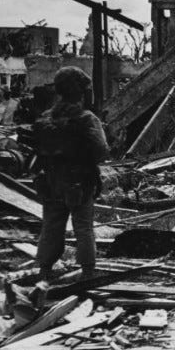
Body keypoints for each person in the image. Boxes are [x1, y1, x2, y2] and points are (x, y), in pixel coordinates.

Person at [31, 66, 107, 285]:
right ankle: (88, 273)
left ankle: (43, 270)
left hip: (51, 181)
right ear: (80, 91)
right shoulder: (86, 119)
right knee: (83, 227)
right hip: (79, 182)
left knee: (51, 225)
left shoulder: (46, 118)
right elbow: (101, 152)